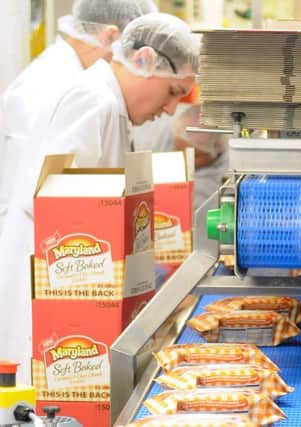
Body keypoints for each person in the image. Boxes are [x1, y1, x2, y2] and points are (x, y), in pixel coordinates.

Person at [0, 12, 199, 384]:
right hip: (53, 307)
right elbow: (59, 204)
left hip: (75, 299)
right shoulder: (94, 100)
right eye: (172, 92)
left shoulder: (111, 105)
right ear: (143, 61)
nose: (171, 109)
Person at [0, 0, 157, 238]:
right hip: (32, 245)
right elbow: (42, 190)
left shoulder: (77, 79)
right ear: (111, 36)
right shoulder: (52, 83)